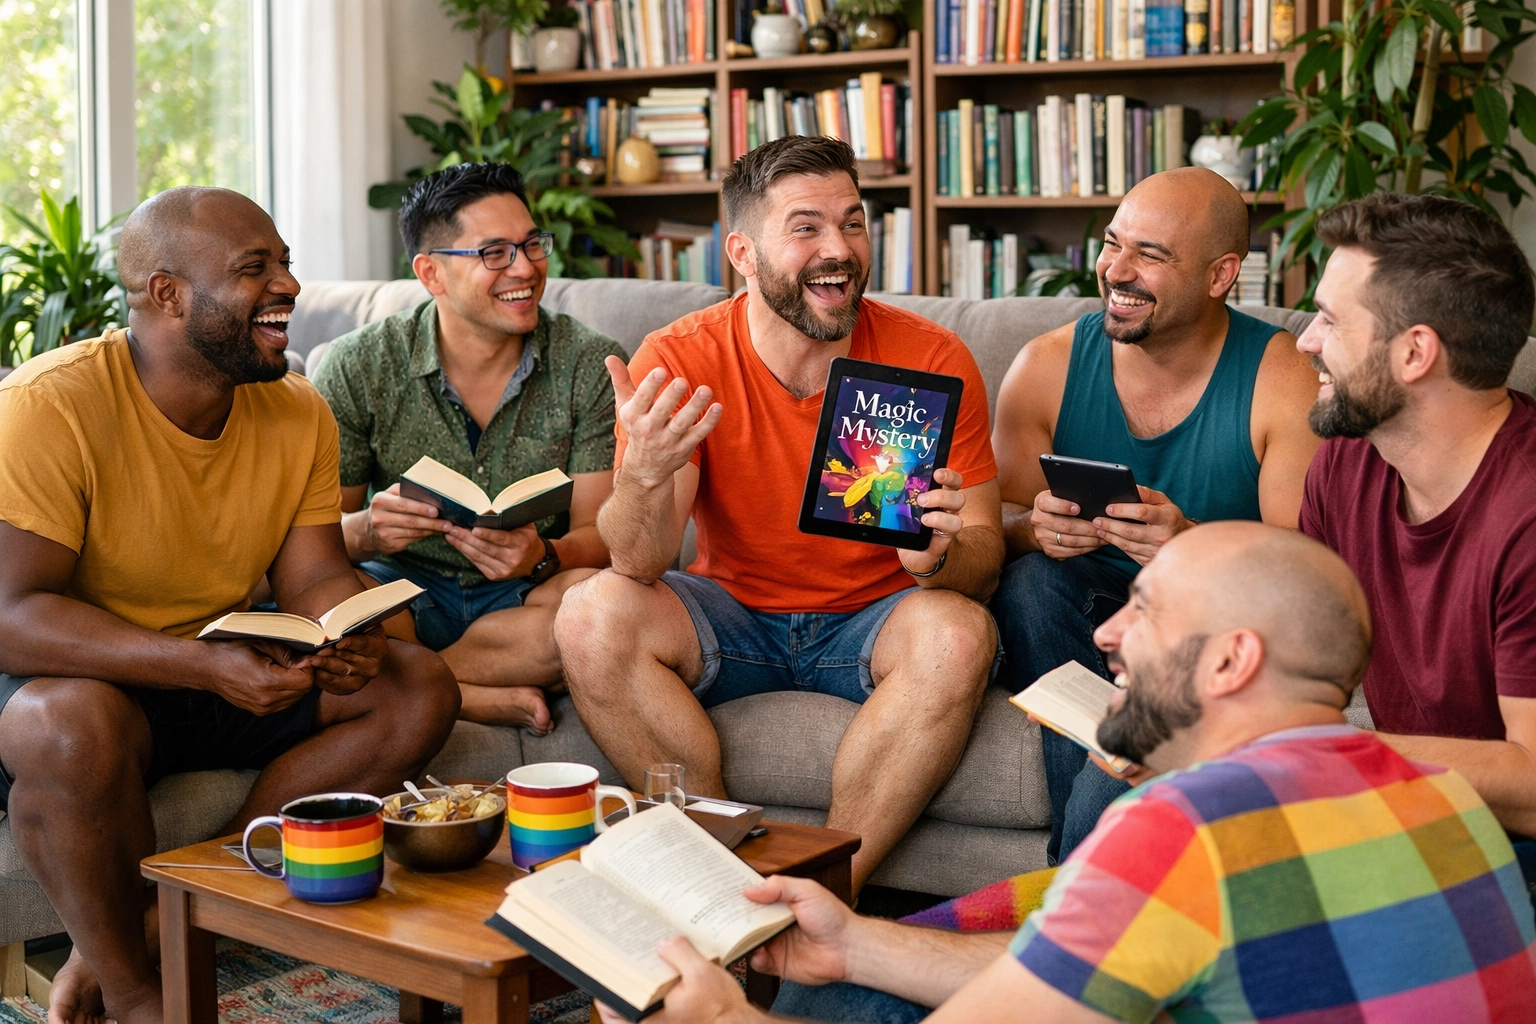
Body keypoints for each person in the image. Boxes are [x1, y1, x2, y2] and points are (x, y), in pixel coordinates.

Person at [599, 522, 1536, 1024]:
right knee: (843, 979)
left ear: (1228, 663)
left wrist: (721, 1018)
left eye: (1145, 610)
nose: (1105, 635)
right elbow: (1113, 966)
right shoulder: (1439, 798)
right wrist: (860, 941)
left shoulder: (1189, 828)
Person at [0, 187, 459, 1024]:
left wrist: (340, 633)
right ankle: (140, 997)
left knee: (415, 685)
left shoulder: (296, 408)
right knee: (65, 724)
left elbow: (315, 575)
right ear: (166, 294)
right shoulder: (50, 405)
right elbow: (13, 614)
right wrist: (198, 665)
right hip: (87, 678)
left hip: (220, 664)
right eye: (256, 269)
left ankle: (198, 896)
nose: (287, 284)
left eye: (284, 260)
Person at [554, 135, 1004, 892]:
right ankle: (715, 877)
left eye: (853, 223)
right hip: (733, 616)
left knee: (961, 634)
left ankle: (823, 890)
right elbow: (637, 563)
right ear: (742, 251)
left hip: (877, 617)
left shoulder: (930, 358)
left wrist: (938, 556)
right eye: (806, 228)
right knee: (589, 614)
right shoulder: (680, 356)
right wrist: (639, 479)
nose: (840, 250)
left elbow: (985, 557)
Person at [989, 167, 1321, 863]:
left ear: (1220, 274)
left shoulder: (1281, 376)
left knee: (1122, 756)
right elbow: (995, 526)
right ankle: (1099, 811)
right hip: (1080, 616)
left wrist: (1192, 545)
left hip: (1210, 625)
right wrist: (1033, 530)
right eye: (1113, 244)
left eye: (1152, 255)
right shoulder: (1046, 365)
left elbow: (1308, 572)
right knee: (1031, 583)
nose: (1117, 270)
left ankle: (1070, 882)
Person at [312, 163, 626, 734]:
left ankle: (435, 687)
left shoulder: (589, 364)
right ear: (431, 273)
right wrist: (367, 532)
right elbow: (313, 539)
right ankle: (470, 692)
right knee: (334, 607)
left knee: (597, 606)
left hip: (526, 599)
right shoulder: (359, 365)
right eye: (495, 253)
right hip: (403, 593)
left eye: (532, 244)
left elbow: (601, 535)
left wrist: (542, 556)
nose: (527, 269)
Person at [1296, 192, 1536, 873]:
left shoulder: (1526, 514)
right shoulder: (1349, 459)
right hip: (1429, 814)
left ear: (1414, 353)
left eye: (1330, 321)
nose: (1306, 341)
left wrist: (1301, 754)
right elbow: (1298, 644)